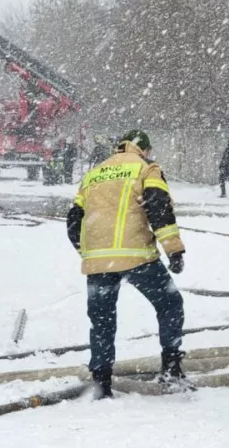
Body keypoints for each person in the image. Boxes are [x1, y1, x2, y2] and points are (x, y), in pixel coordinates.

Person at [66, 129, 191, 399]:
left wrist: (89, 253)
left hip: (99, 262)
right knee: (170, 304)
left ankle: (101, 382)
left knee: (102, 321)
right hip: (138, 257)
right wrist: (174, 251)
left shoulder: (94, 174)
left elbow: (74, 220)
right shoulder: (146, 169)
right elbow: (159, 208)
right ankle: (172, 369)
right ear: (144, 150)